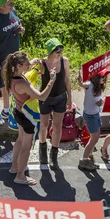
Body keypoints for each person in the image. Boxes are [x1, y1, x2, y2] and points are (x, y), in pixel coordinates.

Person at [3, 51, 57, 185]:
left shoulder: (12, 76)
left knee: (20, 140)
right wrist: (51, 80)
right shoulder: (22, 83)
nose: (29, 65)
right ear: (20, 65)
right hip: (27, 118)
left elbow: (28, 68)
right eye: (27, 64)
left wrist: (33, 63)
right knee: (26, 147)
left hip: (19, 112)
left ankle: (14, 167)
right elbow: (42, 96)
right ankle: (20, 176)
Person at [37, 38, 72, 170]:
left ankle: (54, 156)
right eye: (57, 49)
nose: (60, 52)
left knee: (57, 126)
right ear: (50, 51)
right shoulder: (42, 63)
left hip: (60, 97)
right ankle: (42, 150)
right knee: (44, 125)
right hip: (45, 98)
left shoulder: (65, 61)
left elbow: (67, 79)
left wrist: (69, 98)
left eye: (61, 49)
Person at [78, 69, 110, 171]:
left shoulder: (98, 87)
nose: (104, 79)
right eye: (102, 77)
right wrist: (79, 77)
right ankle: (84, 160)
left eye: (104, 77)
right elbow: (82, 84)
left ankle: (89, 157)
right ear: (96, 78)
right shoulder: (90, 85)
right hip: (90, 116)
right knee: (94, 138)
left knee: (95, 136)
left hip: (95, 114)